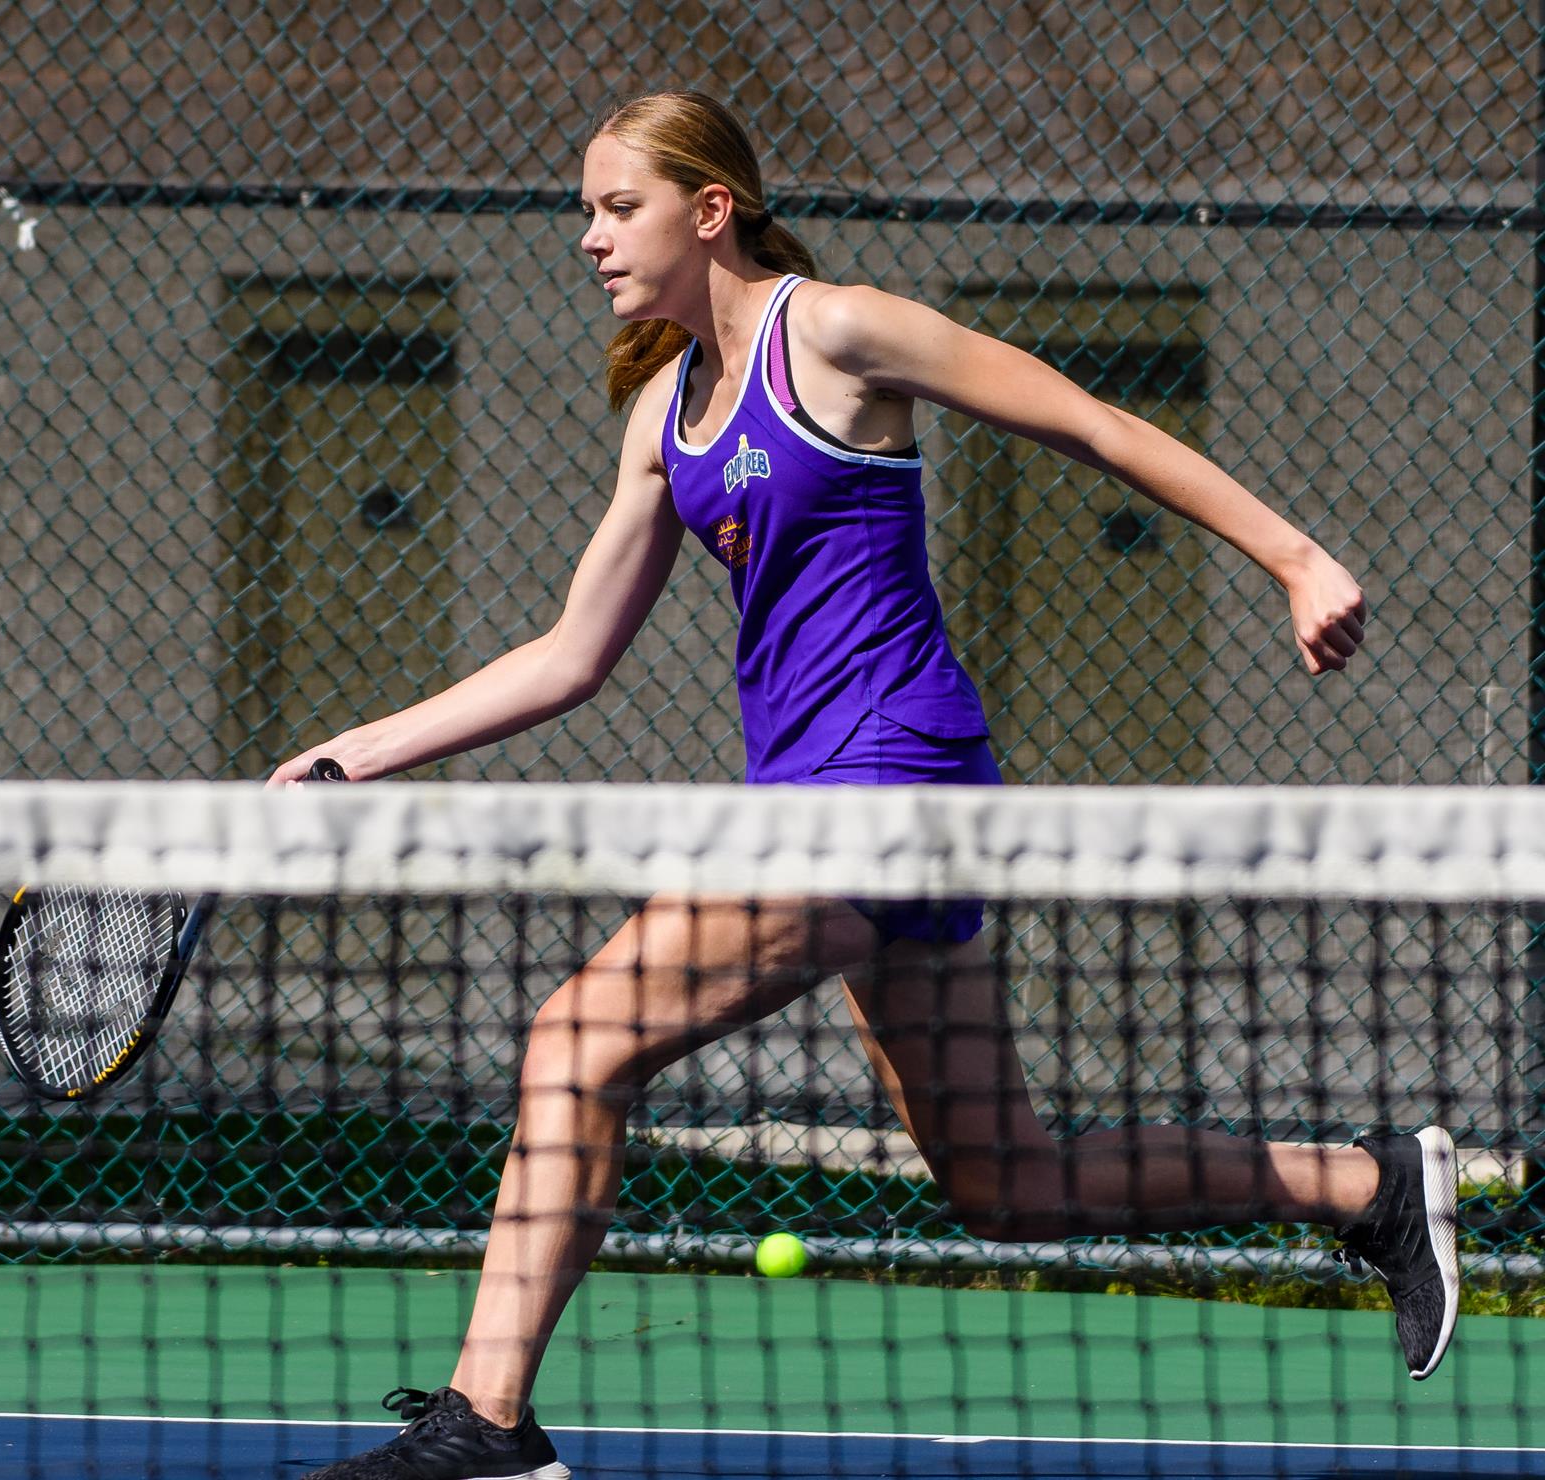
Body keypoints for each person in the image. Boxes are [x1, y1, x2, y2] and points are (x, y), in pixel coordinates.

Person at [270, 90, 1455, 1480]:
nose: (590, 236)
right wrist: (358, 751)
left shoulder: (833, 332)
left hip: (889, 779)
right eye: (587, 211)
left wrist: (1296, 557)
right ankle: (1373, 1186)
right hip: (823, 797)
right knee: (1008, 1186)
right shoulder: (665, 414)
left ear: (710, 210)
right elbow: (571, 654)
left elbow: (1087, 426)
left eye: (619, 207)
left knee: (579, 1038)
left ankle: (487, 1425)